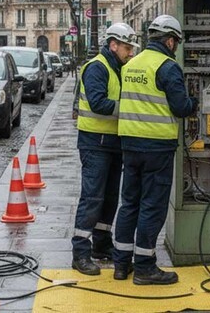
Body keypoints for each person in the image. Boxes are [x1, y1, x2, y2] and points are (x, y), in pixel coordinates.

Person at [113, 14, 198, 285]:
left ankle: (121, 263)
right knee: (152, 206)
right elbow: (180, 107)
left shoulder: (131, 64)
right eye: (177, 43)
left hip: (129, 144)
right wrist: (195, 101)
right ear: (171, 41)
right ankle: (146, 267)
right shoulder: (168, 66)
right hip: (157, 147)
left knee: (129, 204)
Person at [71, 23, 138, 276]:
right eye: (127, 47)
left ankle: (101, 244)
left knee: (109, 199)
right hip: (94, 143)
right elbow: (98, 103)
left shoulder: (118, 68)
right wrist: (131, 108)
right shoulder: (97, 67)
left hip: (112, 142)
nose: (130, 52)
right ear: (113, 45)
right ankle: (80, 252)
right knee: (92, 198)